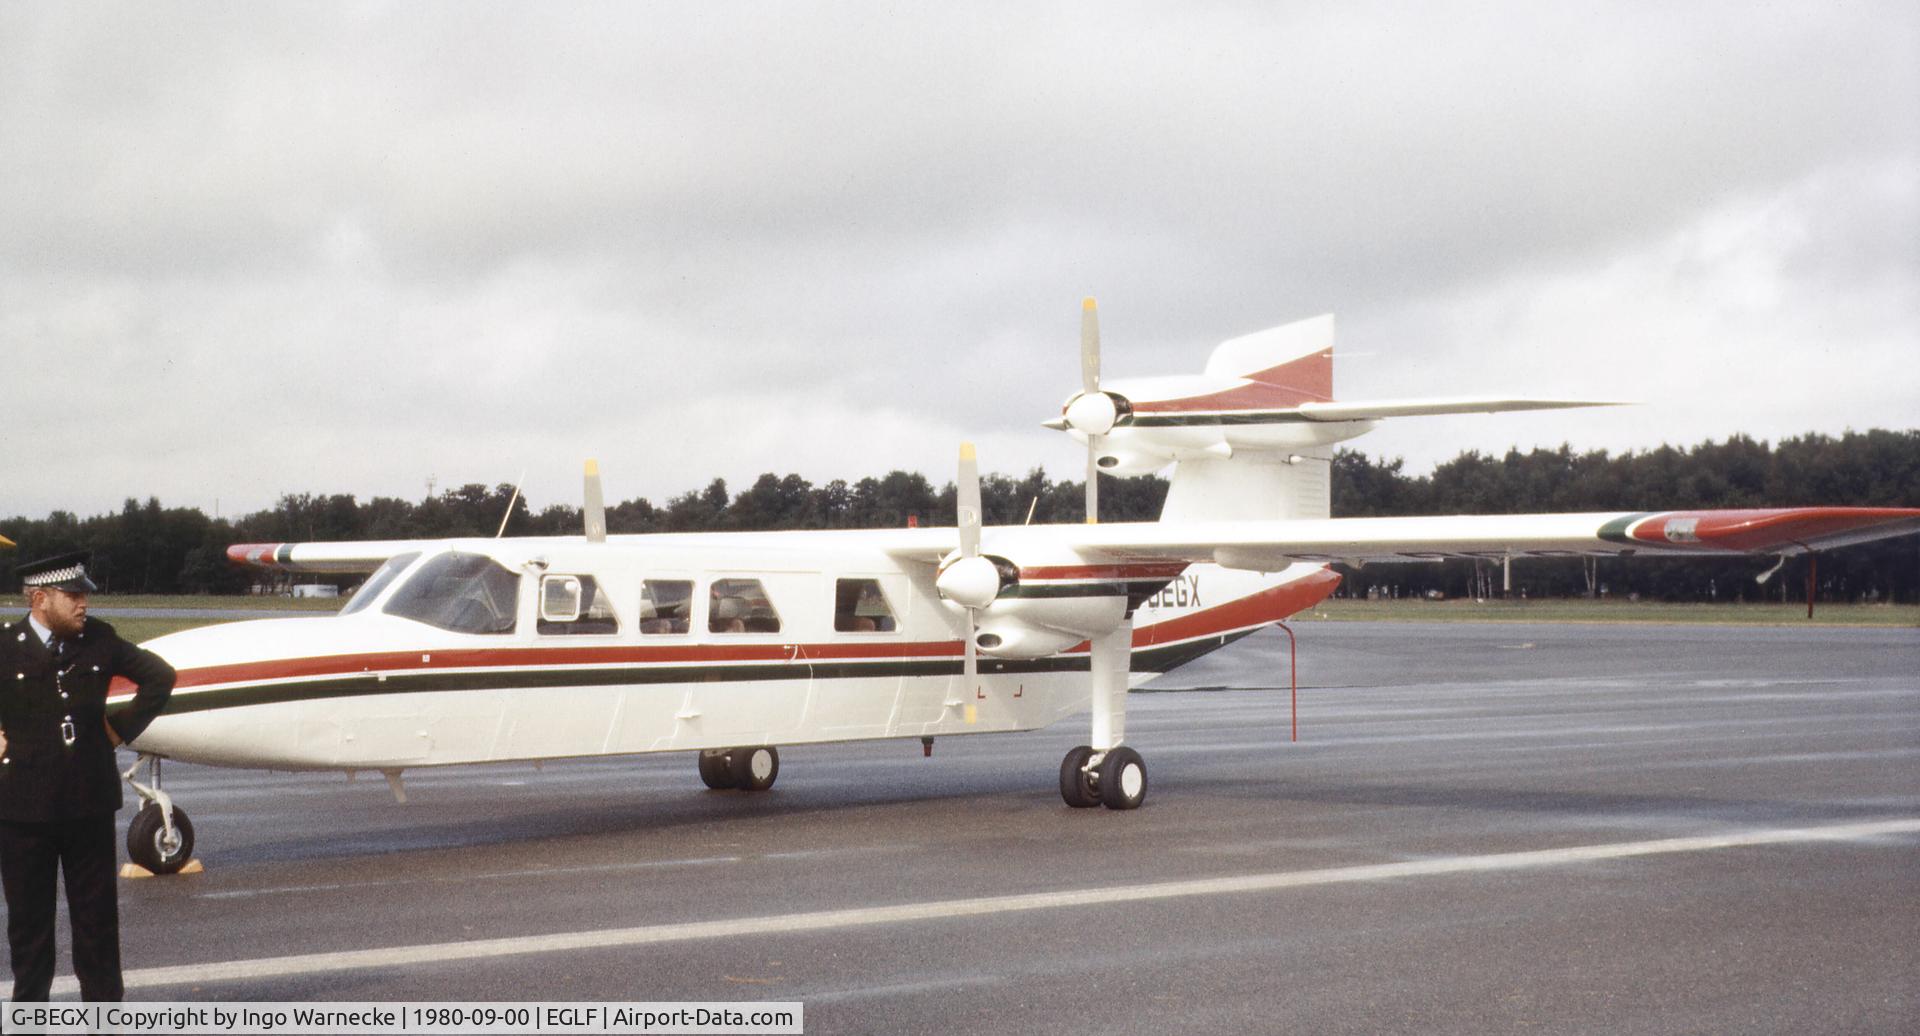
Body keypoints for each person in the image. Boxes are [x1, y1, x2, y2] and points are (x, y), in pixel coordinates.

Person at [0, 552, 174, 1002]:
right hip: (22, 813)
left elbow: (160, 677)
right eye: (73, 595)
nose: (84, 604)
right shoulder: (5, 645)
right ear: (40, 599)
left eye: (85, 595)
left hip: (88, 806)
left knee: (97, 933)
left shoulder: (99, 640)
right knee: (30, 935)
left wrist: (118, 730)